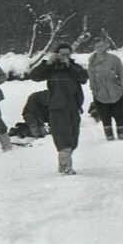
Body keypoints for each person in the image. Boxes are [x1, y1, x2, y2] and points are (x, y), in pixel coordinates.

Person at [29, 42, 88, 175]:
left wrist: (70, 65)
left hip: (73, 105)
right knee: (63, 136)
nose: (64, 57)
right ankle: (66, 166)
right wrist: (48, 63)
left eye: (67, 54)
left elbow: (84, 78)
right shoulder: (51, 68)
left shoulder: (73, 67)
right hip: (57, 105)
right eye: (61, 54)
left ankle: (63, 164)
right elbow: (34, 76)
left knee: (73, 136)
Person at [87, 36, 123, 141]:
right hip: (101, 93)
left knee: (119, 114)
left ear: (105, 46)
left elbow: (122, 74)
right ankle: (109, 135)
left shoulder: (114, 59)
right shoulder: (92, 62)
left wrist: (121, 87)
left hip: (115, 91)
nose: (99, 48)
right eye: (97, 47)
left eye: (101, 46)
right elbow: (92, 78)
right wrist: (95, 90)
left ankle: (121, 133)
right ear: (94, 48)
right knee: (105, 115)